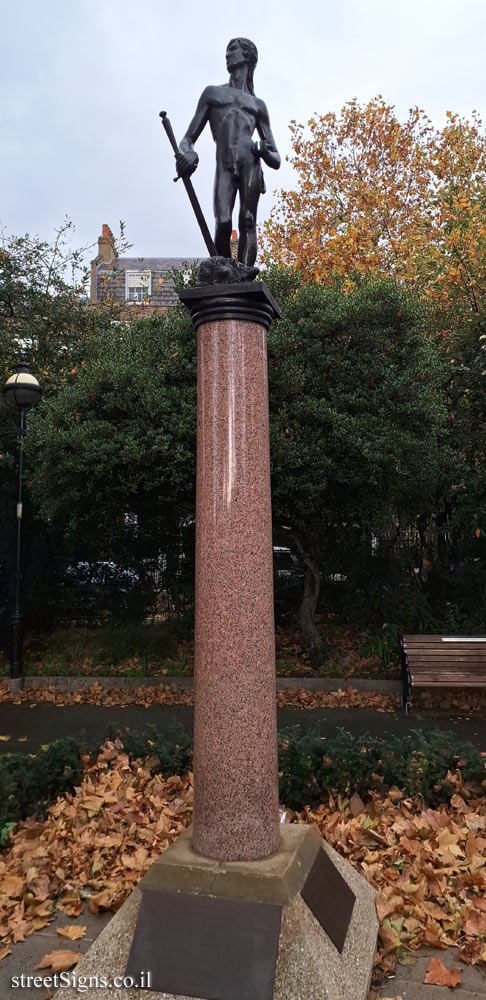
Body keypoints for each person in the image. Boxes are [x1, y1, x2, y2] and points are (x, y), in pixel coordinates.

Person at [175, 38, 280, 267]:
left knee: (248, 220)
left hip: (250, 165)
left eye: (233, 49)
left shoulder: (258, 105)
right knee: (223, 222)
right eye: (227, 50)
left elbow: (276, 158)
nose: (227, 54)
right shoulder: (212, 94)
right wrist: (187, 154)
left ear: (247, 56)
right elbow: (187, 139)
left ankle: (245, 273)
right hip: (224, 165)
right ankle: (224, 272)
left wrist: (264, 152)